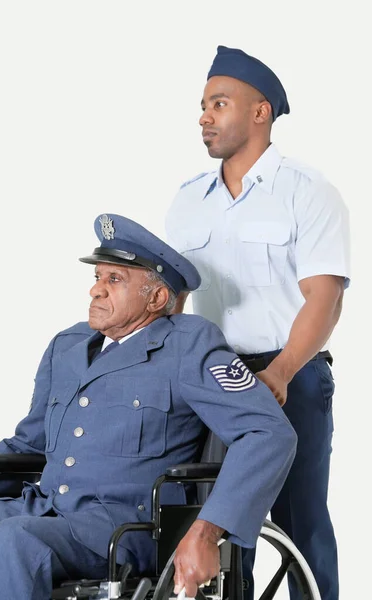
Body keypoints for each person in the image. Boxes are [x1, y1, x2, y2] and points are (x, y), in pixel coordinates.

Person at [0, 213, 296, 600]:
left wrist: (208, 529)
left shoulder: (187, 346)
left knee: (11, 541)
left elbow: (269, 432)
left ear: (158, 298)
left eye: (115, 280)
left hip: (125, 528)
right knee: (12, 535)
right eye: (97, 278)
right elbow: (30, 444)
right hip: (45, 512)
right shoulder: (67, 346)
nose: (96, 291)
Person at [165, 46, 350, 600]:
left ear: (259, 112)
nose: (204, 116)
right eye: (202, 105)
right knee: (211, 522)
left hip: (289, 372)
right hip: (211, 377)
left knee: (300, 521)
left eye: (218, 104)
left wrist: (283, 371)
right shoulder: (188, 201)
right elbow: (172, 301)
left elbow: (324, 296)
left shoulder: (307, 192)